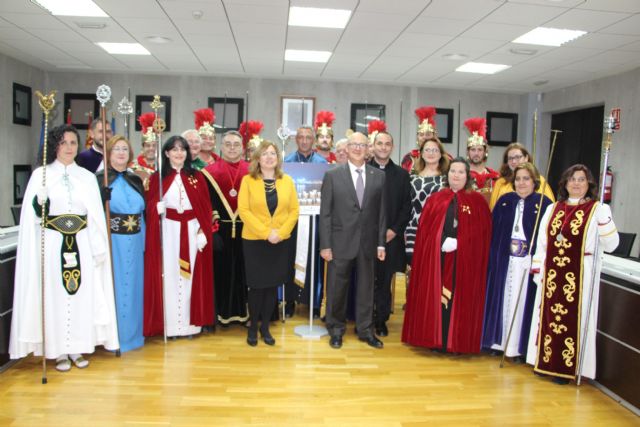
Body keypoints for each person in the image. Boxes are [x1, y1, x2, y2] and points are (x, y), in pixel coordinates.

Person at [10, 124, 119, 371]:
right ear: (54, 146)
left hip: (80, 242)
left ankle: (78, 347)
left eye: (72, 143)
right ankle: (58, 350)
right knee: (56, 295)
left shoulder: (87, 177)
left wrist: (97, 245)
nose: (68, 148)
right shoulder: (42, 176)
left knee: (82, 295)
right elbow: (33, 217)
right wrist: (41, 204)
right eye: (63, 143)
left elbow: (93, 216)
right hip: (53, 242)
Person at [526, 164, 619, 384]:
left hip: (580, 273)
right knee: (547, 319)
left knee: (574, 320)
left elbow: (612, 245)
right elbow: (542, 241)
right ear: (565, 183)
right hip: (552, 274)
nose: (576, 184)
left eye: (581, 180)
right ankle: (546, 361)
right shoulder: (554, 208)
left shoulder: (597, 210)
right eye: (572, 179)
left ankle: (568, 368)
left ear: (589, 184)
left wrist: (605, 220)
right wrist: (539, 266)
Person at [402, 158, 491, 353]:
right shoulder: (436, 199)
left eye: (461, 172)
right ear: (447, 174)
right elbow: (425, 231)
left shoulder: (477, 201)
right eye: (452, 171)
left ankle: (456, 342)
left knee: (460, 299)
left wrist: (461, 242)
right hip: (438, 257)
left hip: (464, 261)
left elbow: (482, 234)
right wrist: (439, 241)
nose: (456, 175)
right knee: (435, 295)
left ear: (467, 176)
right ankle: (436, 340)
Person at [319, 132, 386, 349]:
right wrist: (325, 245)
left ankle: (366, 330)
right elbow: (326, 213)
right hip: (339, 242)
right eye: (354, 145)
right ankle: (336, 330)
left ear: (369, 150)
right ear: (346, 149)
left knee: (367, 289)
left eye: (362, 145)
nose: (358, 148)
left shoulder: (378, 176)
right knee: (337, 289)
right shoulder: (332, 175)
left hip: (367, 244)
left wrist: (381, 243)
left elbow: (381, 213)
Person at [143, 135, 214, 338]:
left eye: (182, 149)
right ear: (166, 153)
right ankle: (172, 326)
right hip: (168, 231)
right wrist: (154, 208)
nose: (179, 153)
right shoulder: (158, 178)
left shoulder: (197, 177)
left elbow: (205, 208)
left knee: (190, 276)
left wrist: (202, 230)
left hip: (191, 232)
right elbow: (149, 207)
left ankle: (191, 325)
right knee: (171, 276)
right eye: (174, 149)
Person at [482, 163, 552, 360]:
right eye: (518, 179)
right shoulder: (505, 201)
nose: (521, 183)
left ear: (534, 181)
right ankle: (498, 343)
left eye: (526, 179)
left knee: (523, 303)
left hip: (527, 264)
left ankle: (519, 349)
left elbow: (547, 236)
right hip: (504, 261)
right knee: (503, 299)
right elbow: (493, 232)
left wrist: (537, 257)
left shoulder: (544, 204)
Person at [238, 140, 299, 346]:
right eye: (264, 154)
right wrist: (266, 233)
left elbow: (294, 211)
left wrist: (281, 233)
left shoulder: (287, 181)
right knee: (256, 287)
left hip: (280, 241)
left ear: (278, 158)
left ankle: (266, 327)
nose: (269, 157)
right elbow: (244, 211)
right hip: (255, 241)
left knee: (272, 286)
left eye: (273, 153)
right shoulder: (248, 181)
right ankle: (253, 327)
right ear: (257, 159)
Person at [99, 135, 146, 353]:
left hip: (136, 242)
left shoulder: (135, 179)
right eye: (116, 149)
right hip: (113, 241)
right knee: (115, 286)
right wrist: (101, 197)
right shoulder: (99, 180)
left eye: (125, 149)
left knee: (135, 287)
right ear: (108, 153)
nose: (120, 153)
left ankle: (133, 335)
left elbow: (143, 213)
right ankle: (114, 337)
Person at [202, 130, 250, 326]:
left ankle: (245, 314)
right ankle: (218, 314)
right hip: (219, 231)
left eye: (236, 145)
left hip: (247, 231)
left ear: (243, 148)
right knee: (219, 274)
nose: (232, 148)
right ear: (220, 147)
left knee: (244, 274)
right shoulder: (209, 172)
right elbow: (206, 203)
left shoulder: (252, 171)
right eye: (228, 144)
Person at [369, 130, 411, 337]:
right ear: (373, 146)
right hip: (367, 238)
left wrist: (393, 230)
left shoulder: (402, 175)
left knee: (385, 281)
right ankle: (365, 316)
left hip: (391, 238)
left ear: (392, 147)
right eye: (380, 143)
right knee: (366, 279)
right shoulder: (364, 170)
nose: (383, 147)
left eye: (387, 144)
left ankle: (380, 320)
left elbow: (406, 206)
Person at [405, 138, 449, 264]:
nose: (431, 153)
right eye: (427, 150)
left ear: (441, 154)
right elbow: (407, 206)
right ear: (421, 154)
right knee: (414, 269)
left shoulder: (447, 180)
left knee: (434, 270)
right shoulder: (411, 178)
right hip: (413, 230)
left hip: (439, 231)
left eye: (435, 150)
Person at [490, 143, 554, 210]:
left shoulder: (538, 179)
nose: (514, 161)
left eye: (517, 157)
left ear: (526, 158)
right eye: (510, 158)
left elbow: (550, 208)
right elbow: (493, 209)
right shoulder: (500, 183)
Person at [464, 117, 499, 201]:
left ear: (485, 152)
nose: (476, 153)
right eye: (473, 150)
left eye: (480, 150)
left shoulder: (495, 177)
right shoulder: (462, 175)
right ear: (468, 152)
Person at [401, 106, 436, 174]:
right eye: (421, 134)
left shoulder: (445, 158)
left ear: (434, 137)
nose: (424, 137)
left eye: (428, 134)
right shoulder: (409, 159)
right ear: (417, 137)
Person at [130, 113, 157, 184]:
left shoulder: (164, 165)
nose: (151, 148)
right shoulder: (133, 166)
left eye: (154, 145)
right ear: (143, 148)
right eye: (148, 146)